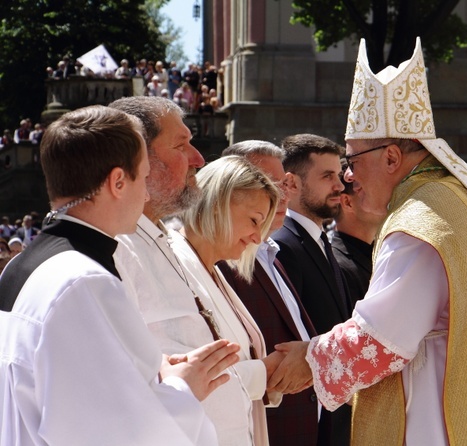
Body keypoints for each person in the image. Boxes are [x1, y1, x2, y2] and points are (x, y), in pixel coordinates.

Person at [270, 38, 467, 445]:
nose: (348, 176)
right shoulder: (453, 199)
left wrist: (308, 360)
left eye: (351, 161)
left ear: (391, 158)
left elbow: (382, 338)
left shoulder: (419, 223)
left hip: (438, 419)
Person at [0, 105, 240, 444]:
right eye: (142, 178)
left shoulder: (21, 266)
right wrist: (184, 386)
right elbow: (119, 433)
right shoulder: (83, 282)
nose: (145, 194)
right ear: (117, 182)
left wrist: (154, 373)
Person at [108, 96, 249, 446]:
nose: (199, 159)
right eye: (181, 145)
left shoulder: (167, 239)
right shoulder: (115, 251)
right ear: (139, 159)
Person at [170, 155, 284, 445]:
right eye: (254, 221)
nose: (257, 238)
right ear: (218, 202)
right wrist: (265, 373)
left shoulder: (215, 272)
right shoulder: (170, 265)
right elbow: (183, 375)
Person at [219, 140, 320, 446]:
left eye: (284, 183)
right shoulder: (223, 259)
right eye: (266, 183)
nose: (281, 194)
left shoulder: (271, 253)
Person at [273, 133, 352, 446]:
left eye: (339, 174)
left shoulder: (318, 240)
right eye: (327, 176)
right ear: (291, 183)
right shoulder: (283, 245)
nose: (340, 185)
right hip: (309, 424)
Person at [331, 160, 385, 303]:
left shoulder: (383, 253)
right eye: (373, 190)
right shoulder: (337, 267)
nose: (386, 197)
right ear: (347, 202)